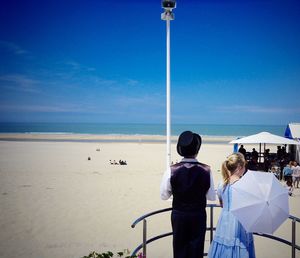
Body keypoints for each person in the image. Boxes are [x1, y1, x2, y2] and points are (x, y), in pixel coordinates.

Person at [160, 131, 216, 258]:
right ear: (197, 150)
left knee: (179, 249)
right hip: (198, 215)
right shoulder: (206, 170)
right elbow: (212, 197)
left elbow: (164, 195)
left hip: (179, 215)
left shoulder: (171, 170)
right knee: (197, 250)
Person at [208, 152, 256, 258]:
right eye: (244, 166)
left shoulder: (222, 184)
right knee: (239, 246)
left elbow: (222, 203)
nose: (245, 169)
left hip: (224, 221)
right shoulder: (243, 185)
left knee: (223, 248)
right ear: (239, 167)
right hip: (239, 222)